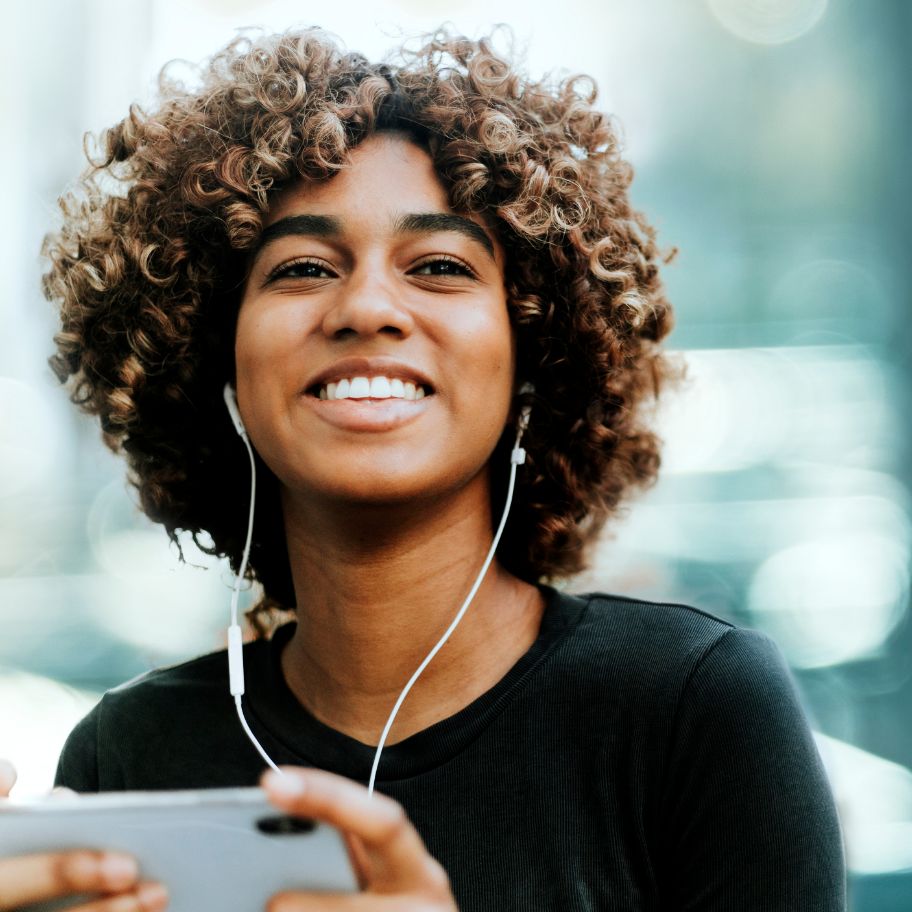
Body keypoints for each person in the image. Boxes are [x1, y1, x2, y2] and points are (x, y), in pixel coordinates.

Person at [1, 26, 845, 911]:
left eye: (440, 266)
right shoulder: (129, 755)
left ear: (535, 356)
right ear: (217, 365)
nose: (367, 305)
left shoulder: (694, 708)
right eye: (302, 268)